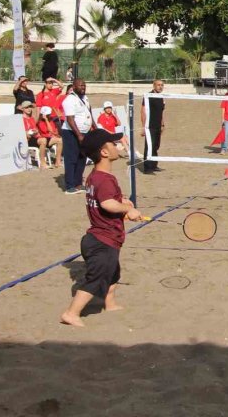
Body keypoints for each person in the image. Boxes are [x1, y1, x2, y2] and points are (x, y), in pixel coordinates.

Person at [59, 129, 142, 327]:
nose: (117, 146)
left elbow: (105, 199)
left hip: (105, 239)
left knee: (113, 273)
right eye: (112, 144)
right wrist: (126, 210)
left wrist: (123, 202)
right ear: (104, 152)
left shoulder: (96, 176)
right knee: (96, 279)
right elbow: (106, 204)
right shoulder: (104, 179)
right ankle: (72, 313)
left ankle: (109, 303)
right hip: (101, 241)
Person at [61, 78, 96, 194]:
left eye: (84, 85)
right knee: (71, 158)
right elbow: (70, 120)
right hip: (71, 133)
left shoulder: (85, 98)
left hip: (84, 132)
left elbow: (89, 114)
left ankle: (78, 183)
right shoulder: (69, 100)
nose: (83, 87)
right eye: (81, 85)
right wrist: (79, 135)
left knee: (82, 158)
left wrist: (95, 127)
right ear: (74, 87)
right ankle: (70, 186)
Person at [141, 79, 166, 172]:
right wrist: (143, 126)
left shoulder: (161, 97)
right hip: (149, 126)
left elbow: (161, 112)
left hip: (157, 126)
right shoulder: (148, 96)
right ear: (154, 86)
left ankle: (154, 165)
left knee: (156, 146)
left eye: (162, 85)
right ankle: (147, 167)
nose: (160, 87)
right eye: (158, 85)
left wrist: (162, 124)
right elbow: (143, 111)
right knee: (149, 146)